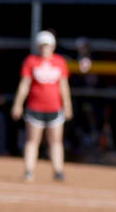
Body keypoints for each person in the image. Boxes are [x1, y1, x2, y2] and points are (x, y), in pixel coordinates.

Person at [11, 30, 73, 182]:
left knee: (56, 141)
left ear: (52, 46)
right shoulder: (31, 61)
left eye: (47, 46)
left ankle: (58, 170)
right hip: (35, 108)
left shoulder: (59, 62)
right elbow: (24, 85)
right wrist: (18, 104)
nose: (45, 49)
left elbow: (63, 86)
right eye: (42, 46)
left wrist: (67, 105)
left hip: (55, 108)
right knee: (32, 140)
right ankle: (29, 171)